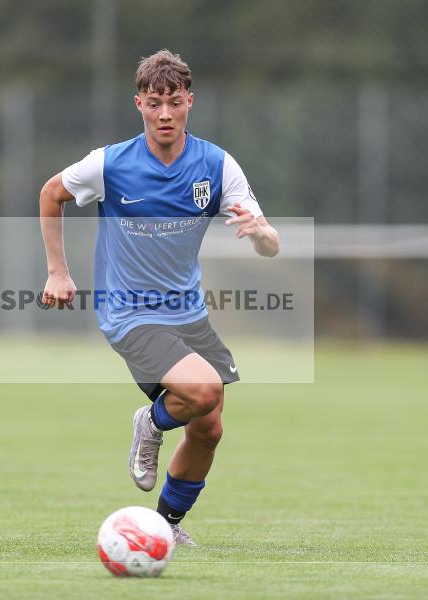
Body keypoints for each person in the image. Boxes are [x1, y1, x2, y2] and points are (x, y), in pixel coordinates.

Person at [39, 49, 279, 546]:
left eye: (173, 102)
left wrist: (259, 232)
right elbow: (50, 193)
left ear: (190, 101)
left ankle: (167, 526)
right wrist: (58, 271)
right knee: (204, 391)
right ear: (139, 105)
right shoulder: (110, 163)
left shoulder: (216, 165)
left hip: (187, 313)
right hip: (129, 313)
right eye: (154, 104)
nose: (164, 114)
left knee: (209, 428)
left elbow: (270, 243)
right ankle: (149, 423)